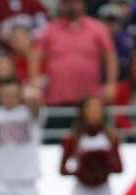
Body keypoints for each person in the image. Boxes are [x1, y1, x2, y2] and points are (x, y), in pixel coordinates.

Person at [30, 0, 118, 129]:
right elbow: (35, 55)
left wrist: (111, 83)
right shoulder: (50, 29)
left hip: (90, 101)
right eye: (68, 2)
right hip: (57, 99)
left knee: (91, 144)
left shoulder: (97, 28)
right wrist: (35, 81)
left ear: (83, 4)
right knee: (56, 142)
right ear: (62, 5)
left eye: (75, 2)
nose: (72, 6)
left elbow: (110, 55)